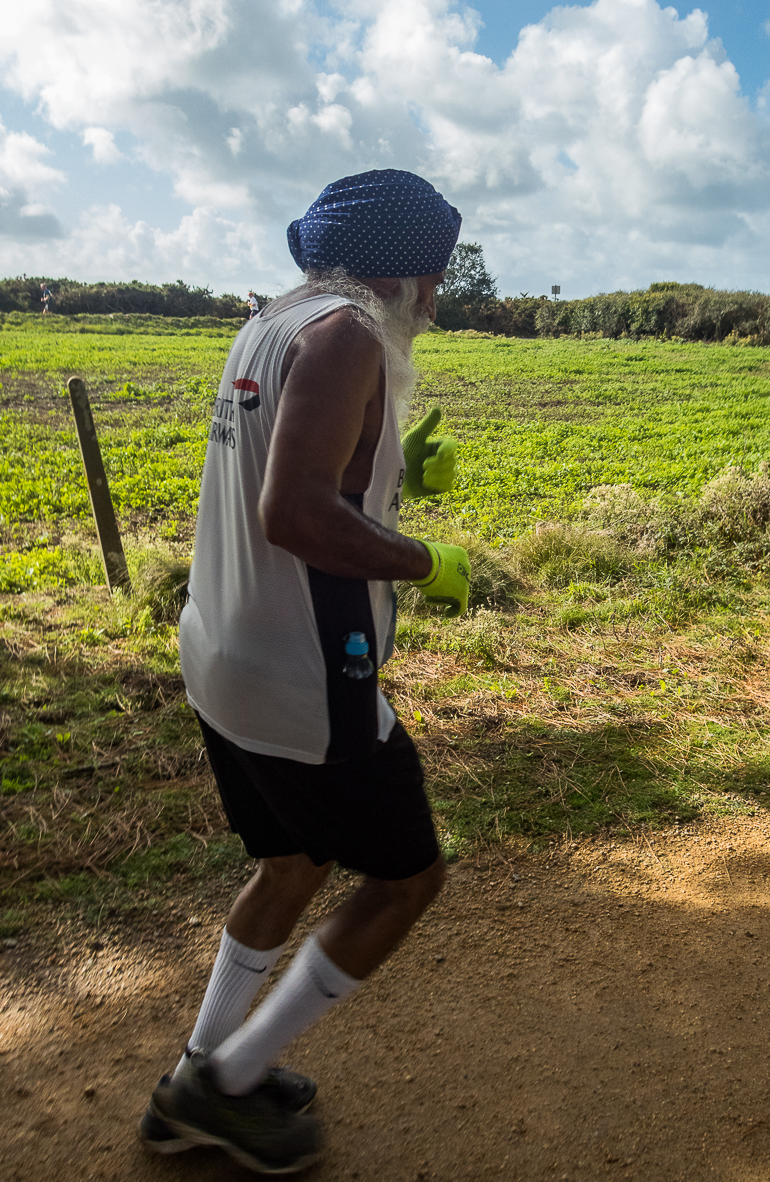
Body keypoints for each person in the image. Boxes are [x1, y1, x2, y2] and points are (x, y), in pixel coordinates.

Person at [139, 169, 470, 1175]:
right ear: (411, 272)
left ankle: (196, 1077)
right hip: (306, 676)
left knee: (290, 864)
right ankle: (231, 1086)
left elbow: (291, 466)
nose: (439, 298)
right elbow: (295, 515)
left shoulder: (273, 324)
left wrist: (390, 467)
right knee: (407, 878)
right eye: (438, 275)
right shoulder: (351, 338)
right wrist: (427, 560)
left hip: (220, 650)